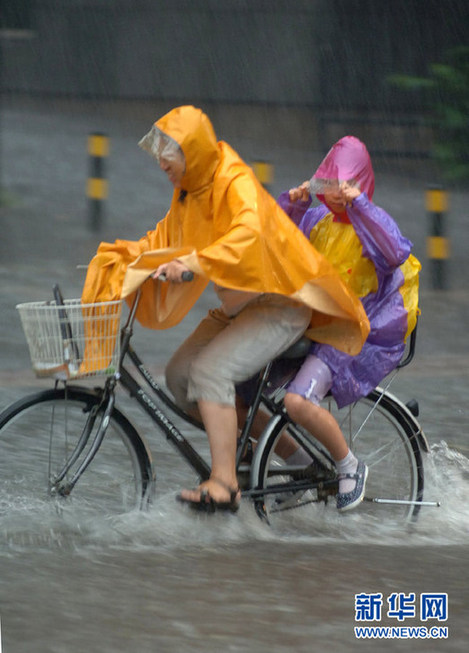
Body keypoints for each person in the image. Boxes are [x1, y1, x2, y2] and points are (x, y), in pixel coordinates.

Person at [81, 107, 369, 513]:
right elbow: (162, 238)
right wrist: (119, 261)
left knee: (210, 372)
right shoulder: (188, 193)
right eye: (158, 152)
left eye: (171, 151)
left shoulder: (233, 179)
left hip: (280, 303)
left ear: (193, 151)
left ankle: (224, 482)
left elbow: (247, 234)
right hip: (241, 308)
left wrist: (193, 264)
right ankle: (291, 459)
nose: (162, 161)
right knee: (180, 378)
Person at [276, 135, 420, 512]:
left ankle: (348, 465)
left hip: (350, 333)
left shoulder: (373, 222)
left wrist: (360, 205)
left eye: (348, 185)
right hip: (310, 325)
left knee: (297, 400)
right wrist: (292, 204)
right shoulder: (316, 219)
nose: (338, 194)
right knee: (245, 395)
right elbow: (279, 244)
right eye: (332, 185)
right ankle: (298, 469)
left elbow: (393, 251)